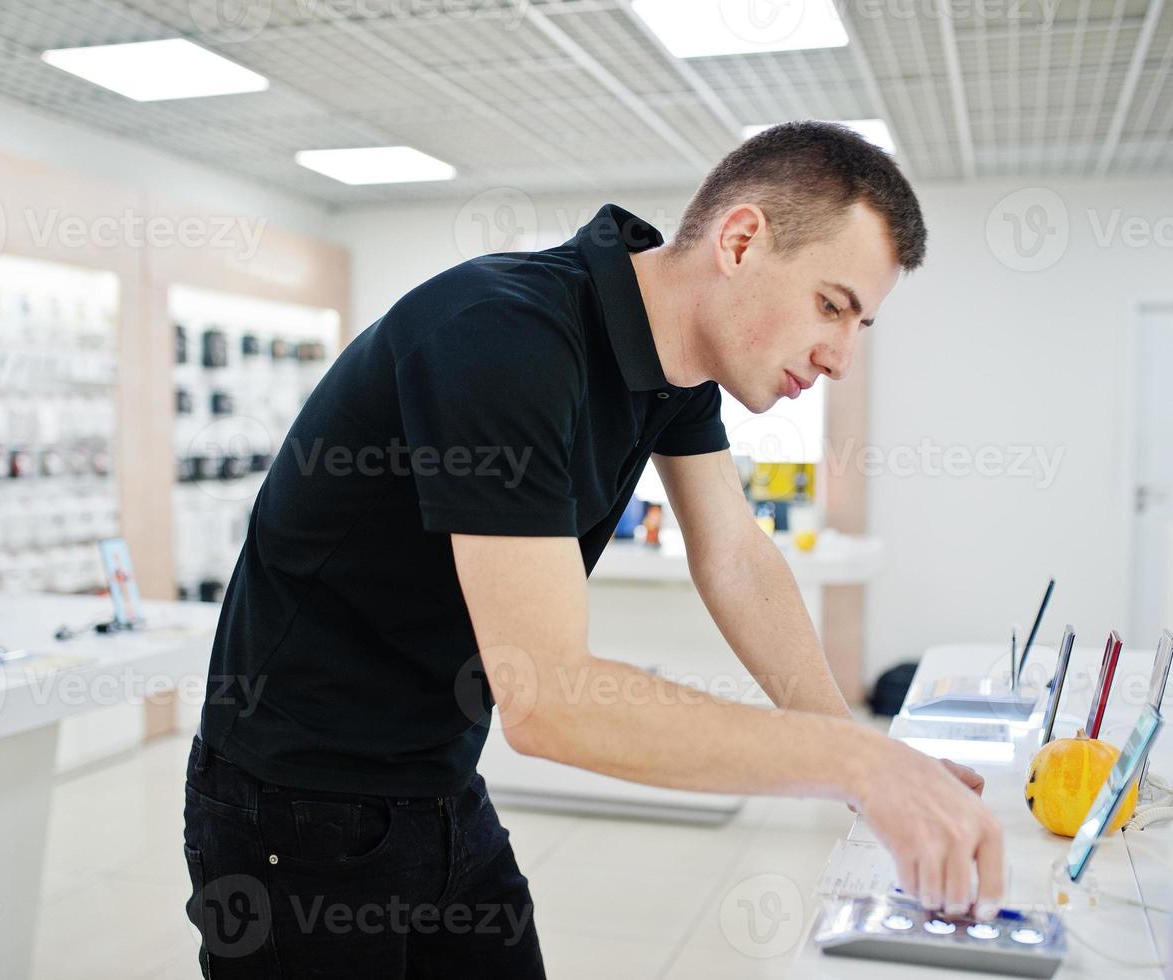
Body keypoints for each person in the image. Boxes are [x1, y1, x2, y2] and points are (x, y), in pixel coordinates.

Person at [183, 121, 1003, 978]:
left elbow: (733, 557)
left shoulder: (673, 363)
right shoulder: (502, 336)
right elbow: (548, 703)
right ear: (740, 240)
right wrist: (859, 763)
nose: (838, 355)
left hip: (435, 776)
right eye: (830, 306)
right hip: (291, 801)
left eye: (860, 325)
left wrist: (850, 746)